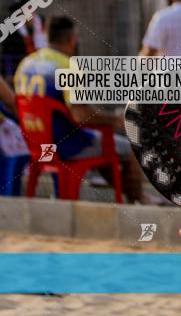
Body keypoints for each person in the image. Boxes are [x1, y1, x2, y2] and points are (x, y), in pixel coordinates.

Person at [13, 16, 148, 203]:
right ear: (71, 40)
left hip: (36, 146)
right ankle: (139, 200)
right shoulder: (68, 67)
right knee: (128, 147)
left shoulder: (25, 65)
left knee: (103, 144)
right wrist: (115, 119)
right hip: (65, 146)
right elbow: (80, 115)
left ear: (46, 36)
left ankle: (129, 194)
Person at [1, 0, 48, 83]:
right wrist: (9, 74)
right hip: (23, 77)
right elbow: (7, 55)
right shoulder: (11, 31)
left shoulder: (44, 24)